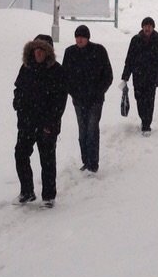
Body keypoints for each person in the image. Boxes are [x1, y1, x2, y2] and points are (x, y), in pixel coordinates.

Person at [13, 34, 67, 206]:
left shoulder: (57, 71)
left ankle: (49, 196)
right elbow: (18, 88)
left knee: (47, 160)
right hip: (27, 123)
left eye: (42, 50)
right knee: (20, 155)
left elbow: (60, 100)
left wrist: (50, 123)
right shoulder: (26, 68)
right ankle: (27, 191)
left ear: (48, 52)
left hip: (47, 125)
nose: (38, 53)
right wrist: (18, 104)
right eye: (36, 49)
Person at [63, 24, 114, 173]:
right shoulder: (70, 52)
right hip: (78, 100)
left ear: (87, 38)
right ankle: (85, 160)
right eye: (77, 37)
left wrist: (99, 92)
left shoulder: (98, 51)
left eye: (82, 37)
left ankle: (93, 163)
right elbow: (65, 76)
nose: (79, 40)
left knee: (92, 130)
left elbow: (108, 75)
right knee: (82, 131)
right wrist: (73, 92)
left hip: (95, 100)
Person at [120, 16, 158, 134]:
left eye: (150, 26)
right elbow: (129, 59)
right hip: (138, 76)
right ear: (142, 27)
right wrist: (125, 77)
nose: (147, 28)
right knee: (139, 99)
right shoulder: (135, 40)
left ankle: (147, 125)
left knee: (149, 100)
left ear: (153, 27)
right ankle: (143, 119)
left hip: (152, 77)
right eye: (145, 26)